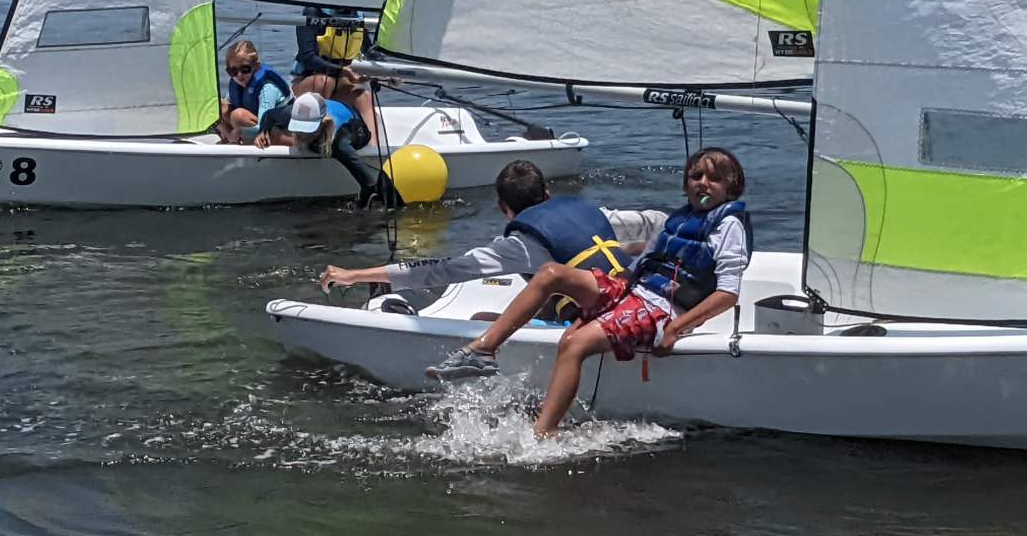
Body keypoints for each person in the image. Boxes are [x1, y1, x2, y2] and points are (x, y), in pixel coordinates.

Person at [427, 147, 752, 437]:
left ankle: (544, 433)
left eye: (715, 178)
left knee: (573, 343)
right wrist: (611, 292)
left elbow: (727, 293)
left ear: (731, 186)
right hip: (638, 291)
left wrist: (675, 330)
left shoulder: (728, 226)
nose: (703, 184)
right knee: (551, 274)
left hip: (665, 310)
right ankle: (483, 350)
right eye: (696, 176)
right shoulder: (681, 219)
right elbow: (646, 260)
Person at [319, 160, 669, 358]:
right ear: (547, 194)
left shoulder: (521, 243)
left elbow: (443, 270)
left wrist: (356, 274)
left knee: (481, 317)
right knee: (519, 304)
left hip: (598, 321)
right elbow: (657, 221)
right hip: (641, 298)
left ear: (505, 210)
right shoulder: (596, 213)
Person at [255, 91, 399, 207]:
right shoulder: (290, 113)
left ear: (324, 124)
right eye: (299, 129)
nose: (302, 135)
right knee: (307, 143)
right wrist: (262, 131)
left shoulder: (339, 140)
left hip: (354, 126)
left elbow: (370, 182)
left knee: (336, 148)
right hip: (327, 109)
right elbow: (269, 115)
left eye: (308, 131)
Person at [289, 6, 380, 146]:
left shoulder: (358, 15)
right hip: (308, 84)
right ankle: (314, 141)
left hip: (340, 83)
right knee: (324, 82)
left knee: (364, 96)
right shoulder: (313, 11)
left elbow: (369, 51)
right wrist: (342, 70)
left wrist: (384, 73)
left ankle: (374, 149)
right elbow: (308, 57)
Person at [218, 40, 290, 144]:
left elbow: (264, 123)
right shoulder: (238, 84)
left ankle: (241, 139)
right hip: (254, 123)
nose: (239, 75)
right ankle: (231, 138)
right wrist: (226, 130)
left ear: (256, 66)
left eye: (245, 69)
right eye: (233, 71)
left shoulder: (268, 89)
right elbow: (224, 108)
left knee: (237, 116)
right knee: (221, 107)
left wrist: (239, 131)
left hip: (277, 128)